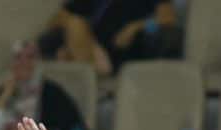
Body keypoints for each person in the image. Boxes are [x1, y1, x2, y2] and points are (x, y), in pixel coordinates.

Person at [0, 40, 88, 130]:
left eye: (30, 57)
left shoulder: (53, 93)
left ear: (38, 62)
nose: (23, 62)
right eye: (18, 57)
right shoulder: (1, 92)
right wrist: (6, 93)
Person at [42, 0, 179, 76]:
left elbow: (168, 18)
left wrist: (135, 27)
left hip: (123, 50)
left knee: (73, 25)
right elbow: (57, 20)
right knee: (73, 23)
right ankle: (86, 64)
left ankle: (82, 64)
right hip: (94, 46)